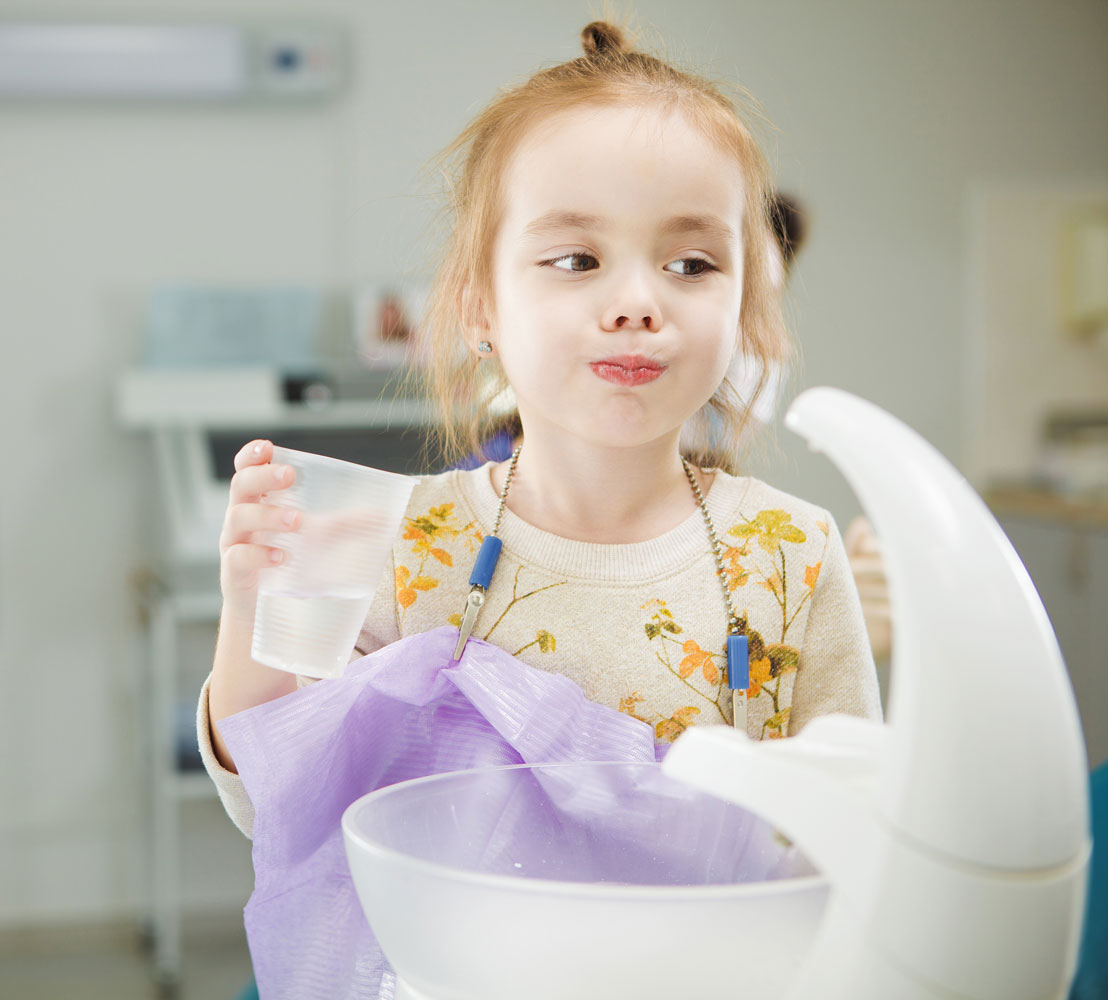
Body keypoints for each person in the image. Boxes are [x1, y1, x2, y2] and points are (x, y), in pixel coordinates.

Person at [201, 17, 881, 839]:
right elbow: (283, 800)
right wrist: (252, 619)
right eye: (577, 260)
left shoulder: (793, 557)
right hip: (464, 971)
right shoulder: (409, 546)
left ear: (744, 308)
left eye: (692, 264)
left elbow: (854, 837)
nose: (638, 302)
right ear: (480, 308)